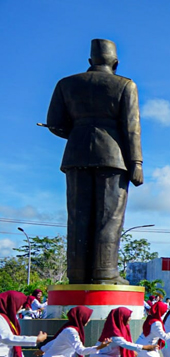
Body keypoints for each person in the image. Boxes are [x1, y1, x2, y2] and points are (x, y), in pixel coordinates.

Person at [46, 39, 143, 285]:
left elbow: (55, 123)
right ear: (116, 63)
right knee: (109, 217)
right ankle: (105, 272)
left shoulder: (66, 84)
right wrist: (137, 162)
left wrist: (80, 132)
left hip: (76, 155)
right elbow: (131, 128)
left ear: (90, 61)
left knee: (78, 218)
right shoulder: (125, 85)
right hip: (113, 157)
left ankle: (77, 274)